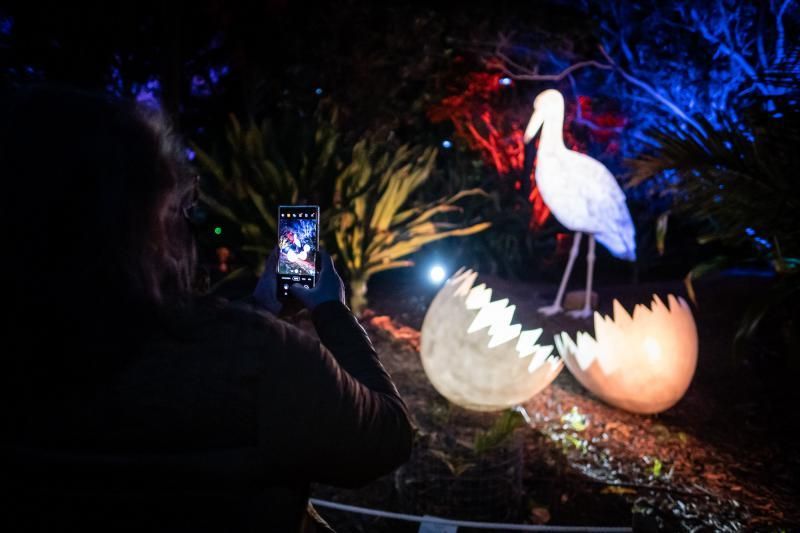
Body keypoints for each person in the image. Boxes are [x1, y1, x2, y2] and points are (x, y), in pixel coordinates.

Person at [1, 86, 413, 532]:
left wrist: (255, 307)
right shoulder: (262, 359)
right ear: (151, 224)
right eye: (182, 209)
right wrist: (331, 310)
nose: (187, 227)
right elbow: (386, 440)